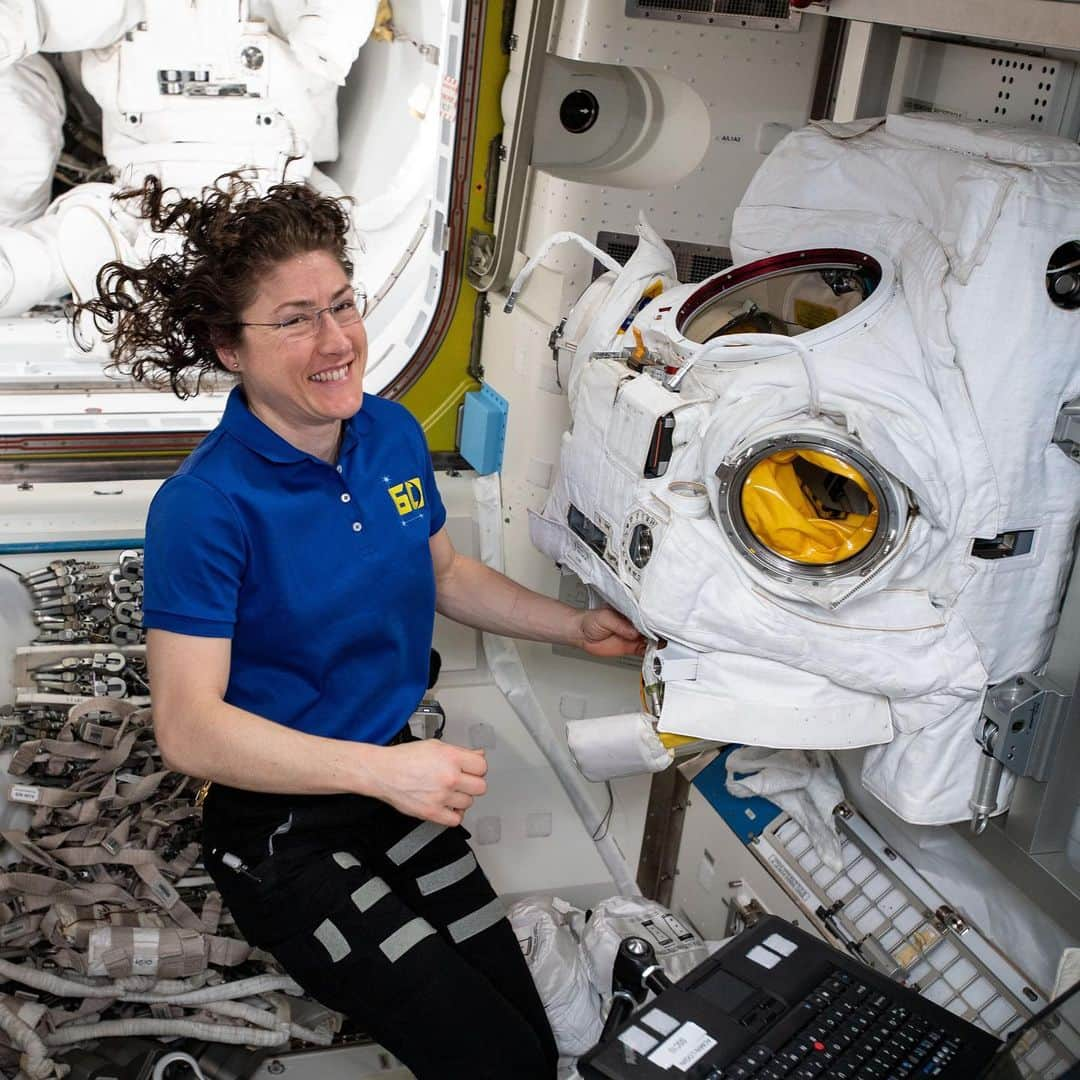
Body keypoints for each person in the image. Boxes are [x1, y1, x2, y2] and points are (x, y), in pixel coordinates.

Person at [77, 173, 646, 1079]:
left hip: (387, 788)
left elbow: (446, 576)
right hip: (279, 833)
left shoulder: (388, 434)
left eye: (343, 304)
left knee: (527, 1044)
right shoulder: (203, 507)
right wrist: (385, 770)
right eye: (296, 319)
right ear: (230, 347)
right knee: (492, 1061)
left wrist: (574, 630)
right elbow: (189, 730)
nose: (337, 340)